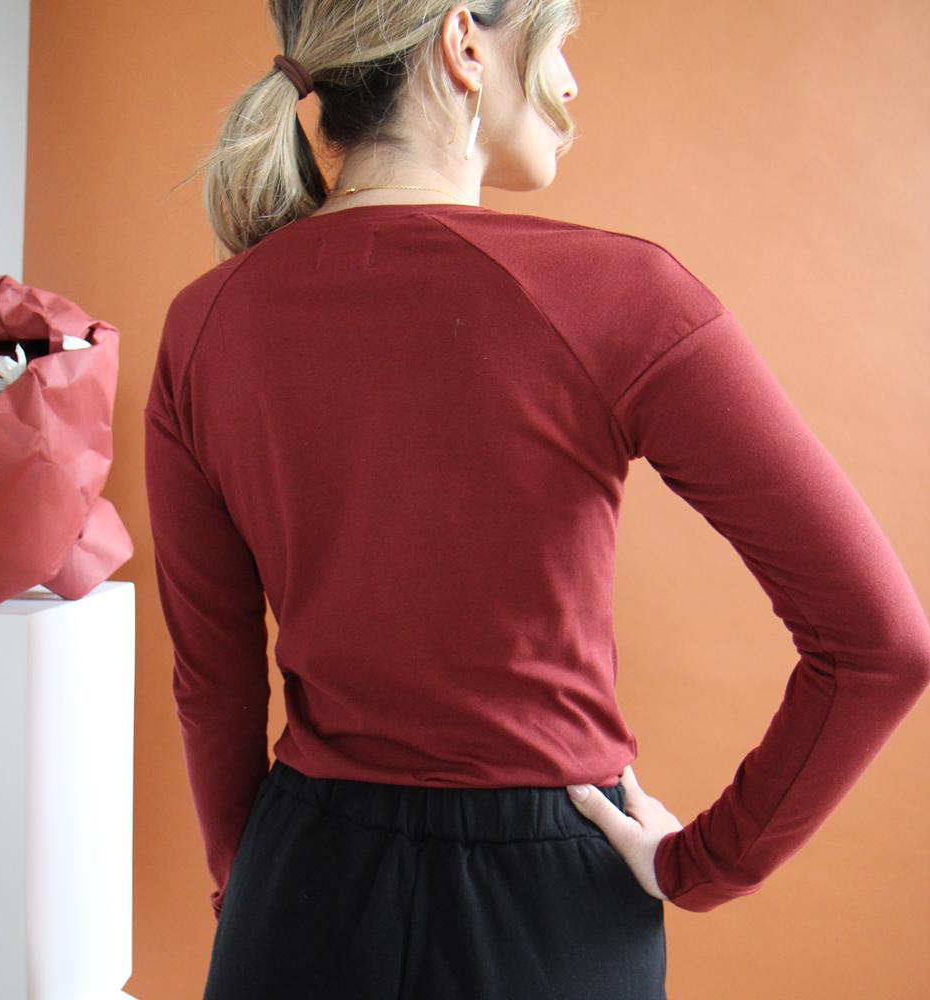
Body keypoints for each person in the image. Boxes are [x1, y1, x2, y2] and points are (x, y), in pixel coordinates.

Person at [143, 3, 930, 998]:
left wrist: (251, 887)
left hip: (298, 888)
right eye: (556, 42)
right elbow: (880, 644)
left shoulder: (203, 325)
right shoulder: (621, 294)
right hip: (551, 913)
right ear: (463, 44)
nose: (570, 81)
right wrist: (702, 864)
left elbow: (211, 686)